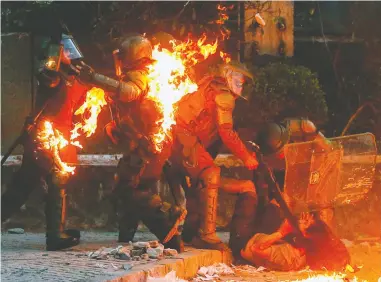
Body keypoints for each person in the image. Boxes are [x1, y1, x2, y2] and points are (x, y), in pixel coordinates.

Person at [77, 34, 185, 252]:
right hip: (150, 144)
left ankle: (168, 217)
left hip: (146, 145)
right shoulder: (147, 74)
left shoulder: (140, 76)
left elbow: (130, 93)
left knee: (128, 189)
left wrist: (95, 78)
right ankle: (130, 236)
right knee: (136, 187)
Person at [1, 34, 87, 250]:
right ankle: (55, 236)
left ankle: (56, 234)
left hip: (61, 139)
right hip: (44, 139)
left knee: (28, 185)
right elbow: (46, 77)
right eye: (65, 51)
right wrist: (52, 64)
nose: (70, 54)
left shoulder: (76, 79)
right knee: (43, 182)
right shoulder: (54, 77)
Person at [169, 61, 259, 251]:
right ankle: (206, 235)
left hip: (176, 136)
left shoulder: (209, 85)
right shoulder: (224, 96)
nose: (240, 86)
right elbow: (226, 131)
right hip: (183, 137)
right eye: (238, 81)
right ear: (227, 76)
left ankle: (191, 233)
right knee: (210, 173)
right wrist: (246, 157)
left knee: (200, 181)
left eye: (242, 83)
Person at [241, 212, 350, 271]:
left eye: (306, 222)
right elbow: (331, 240)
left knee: (248, 188)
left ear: (307, 235)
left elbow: (254, 249)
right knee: (281, 199)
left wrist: (281, 232)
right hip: (260, 234)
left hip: (243, 241)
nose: (302, 219)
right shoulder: (306, 242)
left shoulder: (290, 256)